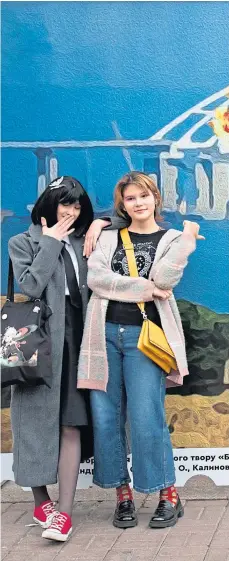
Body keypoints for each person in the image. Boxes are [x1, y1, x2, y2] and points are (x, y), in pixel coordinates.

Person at [77, 171, 204, 529]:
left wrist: (190, 240)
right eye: (130, 198)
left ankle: (167, 495)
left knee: (147, 419)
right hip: (102, 337)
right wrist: (144, 288)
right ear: (123, 204)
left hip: (144, 338)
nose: (138, 203)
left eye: (144, 196)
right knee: (105, 419)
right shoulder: (107, 236)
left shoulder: (173, 238)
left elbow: (165, 280)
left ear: (155, 199)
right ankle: (123, 496)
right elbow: (96, 279)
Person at [8, 175, 124, 542]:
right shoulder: (21, 241)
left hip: (80, 339)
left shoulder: (84, 237)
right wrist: (49, 243)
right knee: (34, 425)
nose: (71, 212)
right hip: (39, 344)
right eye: (65, 205)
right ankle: (41, 499)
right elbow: (28, 286)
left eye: (77, 207)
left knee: (71, 423)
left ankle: (66, 513)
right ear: (49, 204)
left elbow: (126, 222)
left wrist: (101, 223)